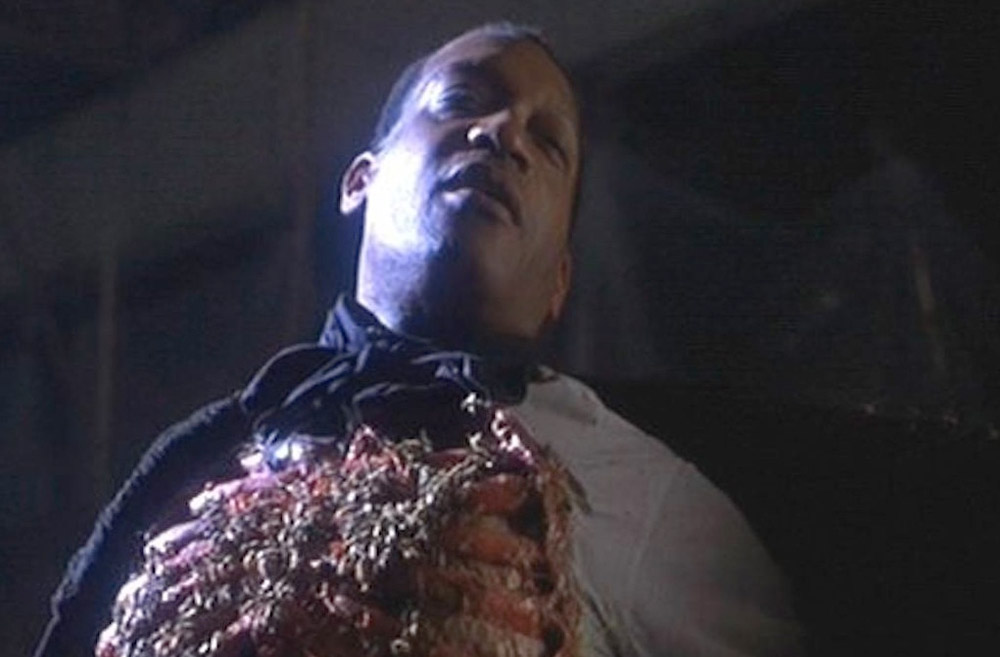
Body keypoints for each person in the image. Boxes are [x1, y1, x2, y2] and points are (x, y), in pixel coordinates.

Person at [34, 22, 800, 657]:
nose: (501, 132)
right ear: (359, 180)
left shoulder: (632, 484)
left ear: (560, 281)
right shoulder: (201, 460)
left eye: (548, 142)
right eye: (462, 101)